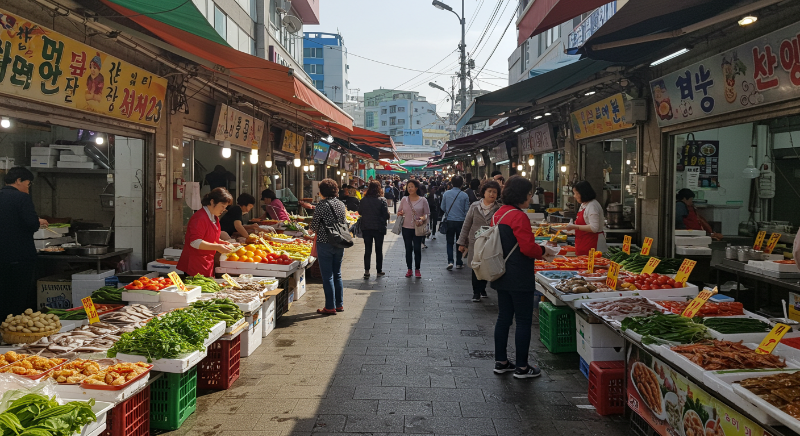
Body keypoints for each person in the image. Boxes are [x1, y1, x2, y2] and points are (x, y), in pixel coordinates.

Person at [491, 175, 545, 379]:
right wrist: (543, 250)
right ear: (521, 194)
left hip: (500, 272)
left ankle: (501, 361)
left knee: (504, 317)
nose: (530, 198)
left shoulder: (499, 214)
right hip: (519, 274)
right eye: (529, 194)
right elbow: (528, 248)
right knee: (523, 320)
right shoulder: (519, 216)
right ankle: (522, 367)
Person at [0, 167, 48, 315]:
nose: (28, 187)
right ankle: (15, 330)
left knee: (3, 294)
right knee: (18, 297)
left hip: (2, 257)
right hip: (20, 256)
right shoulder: (22, 198)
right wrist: (37, 221)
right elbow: (31, 224)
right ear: (18, 180)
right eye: (28, 183)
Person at [458, 180, 501, 302]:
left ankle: (482, 288)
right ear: (484, 192)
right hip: (475, 242)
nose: (492, 194)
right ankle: (476, 292)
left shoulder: (499, 208)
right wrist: (462, 242)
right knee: (475, 266)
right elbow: (466, 225)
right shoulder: (475, 206)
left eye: (495, 192)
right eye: (490, 191)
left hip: (491, 242)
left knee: (487, 265)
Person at [310, 179, 349, 315]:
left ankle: (329, 306)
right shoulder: (340, 204)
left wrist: (310, 230)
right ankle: (339, 304)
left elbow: (314, 226)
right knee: (337, 274)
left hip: (324, 242)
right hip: (339, 242)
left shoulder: (321, 205)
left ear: (322, 192)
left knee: (327, 276)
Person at [177, 188, 235, 277]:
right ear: (212, 202)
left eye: (225, 207)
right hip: (195, 263)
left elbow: (209, 237)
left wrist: (221, 242)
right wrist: (218, 246)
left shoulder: (214, 217)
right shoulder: (200, 217)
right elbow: (195, 242)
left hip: (207, 262)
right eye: (222, 206)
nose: (224, 210)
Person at [565, 181, 609, 256]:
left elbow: (594, 228)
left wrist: (574, 227)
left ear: (583, 193)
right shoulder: (584, 204)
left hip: (593, 244)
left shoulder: (592, 206)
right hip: (583, 243)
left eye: (576, 193)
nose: (574, 196)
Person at [397, 179, 430, 278]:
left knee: (417, 249)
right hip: (406, 228)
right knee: (408, 249)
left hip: (418, 227)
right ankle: (409, 269)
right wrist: (400, 213)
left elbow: (427, 213)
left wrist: (422, 218)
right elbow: (399, 212)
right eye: (408, 186)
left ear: (416, 188)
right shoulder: (404, 199)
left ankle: (417, 269)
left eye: (411, 186)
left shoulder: (423, 200)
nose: (410, 188)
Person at [358, 181, 390, 279]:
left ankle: (367, 271)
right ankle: (379, 270)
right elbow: (386, 215)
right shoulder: (382, 200)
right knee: (378, 249)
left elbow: (360, 212)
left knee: (368, 249)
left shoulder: (363, 200)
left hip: (366, 227)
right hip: (379, 228)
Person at [440, 176, 470, 270]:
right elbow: (467, 210)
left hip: (449, 220)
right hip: (461, 222)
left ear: (451, 183)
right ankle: (459, 262)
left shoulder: (446, 194)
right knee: (460, 242)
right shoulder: (464, 195)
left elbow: (443, 207)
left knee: (449, 242)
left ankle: (450, 261)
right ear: (462, 184)